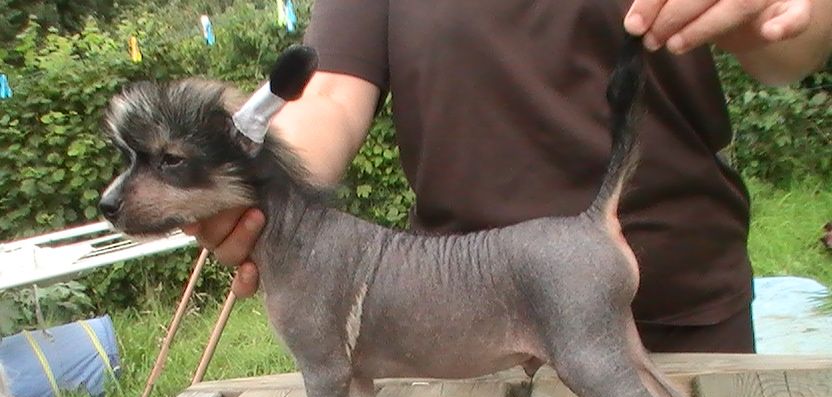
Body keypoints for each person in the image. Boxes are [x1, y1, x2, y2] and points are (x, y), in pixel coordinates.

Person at [183, 0, 832, 353]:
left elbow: (797, 43)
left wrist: (772, 15)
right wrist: (251, 186)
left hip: (679, 309)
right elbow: (326, 96)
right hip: (463, 325)